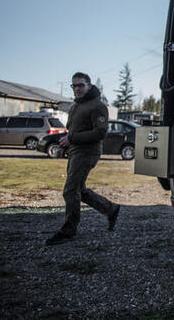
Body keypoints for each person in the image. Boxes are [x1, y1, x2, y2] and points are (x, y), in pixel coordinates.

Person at [46, 72, 120, 246]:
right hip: (75, 151)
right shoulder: (77, 105)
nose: (77, 89)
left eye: (80, 85)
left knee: (70, 190)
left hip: (87, 152)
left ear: (89, 85)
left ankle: (68, 231)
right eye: (74, 86)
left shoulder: (97, 106)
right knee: (80, 189)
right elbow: (75, 129)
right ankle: (110, 209)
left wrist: (72, 139)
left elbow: (101, 132)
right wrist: (67, 139)